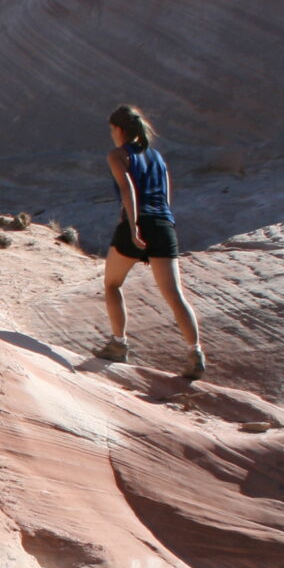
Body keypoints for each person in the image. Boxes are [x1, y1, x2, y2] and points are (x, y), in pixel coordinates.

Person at [94, 104, 205, 379]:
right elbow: (166, 198)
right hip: (164, 225)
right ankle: (196, 352)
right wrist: (163, 228)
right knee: (174, 294)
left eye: (112, 129)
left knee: (112, 284)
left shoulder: (118, 155)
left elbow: (127, 189)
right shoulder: (157, 158)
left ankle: (119, 345)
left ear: (119, 129)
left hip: (137, 223)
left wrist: (133, 229)